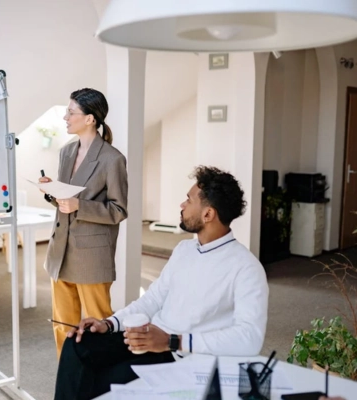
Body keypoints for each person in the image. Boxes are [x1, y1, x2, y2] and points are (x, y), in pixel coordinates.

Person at [54, 166, 269, 400]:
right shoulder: (184, 249)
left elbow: (250, 337)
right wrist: (109, 324)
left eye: (188, 200)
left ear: (208, 214)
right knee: (79, 342)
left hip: (180, 354)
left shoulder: (246, 268)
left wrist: (171, 341)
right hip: (149, 337)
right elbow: (153, 299)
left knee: (98, 380)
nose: (182, 205)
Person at [39, 88, 128, 358]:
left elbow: (118, 210)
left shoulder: (113, 159)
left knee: (98, 325)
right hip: (60, 251)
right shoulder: (66, 152)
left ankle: (101, 382)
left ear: (90, 119)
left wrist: (80, 205)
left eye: (71, 112)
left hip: (91, 256)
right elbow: (66, 200)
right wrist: (52, 191)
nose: (65, 117)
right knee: (62, 325)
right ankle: (69, 377)